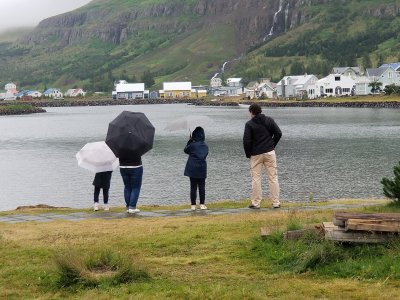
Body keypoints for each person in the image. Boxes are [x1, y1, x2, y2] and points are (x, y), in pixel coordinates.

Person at [243, 104, 282, 209]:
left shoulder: (249, 124)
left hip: (256, 154)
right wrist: (272, 145)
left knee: (256, 179)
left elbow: (246, 141)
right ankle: (276, 202)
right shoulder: (269, 120)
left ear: (252, 112)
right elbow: (278, 133)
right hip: (270, 152)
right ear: (260, 111)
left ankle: (256, 203)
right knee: (273, 178)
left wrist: (248, 154)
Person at [184, 126, 209, 211]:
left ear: (194, 135)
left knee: (193, 187)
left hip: (192, 168)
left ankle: (193, 205)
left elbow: (185, 150)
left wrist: (190, 141)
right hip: (202, 168)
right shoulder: (205, 146)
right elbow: (205, 155)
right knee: (202, 187)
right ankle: (202, 204)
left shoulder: (192, 145)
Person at [119, 149, 143, 214]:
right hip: (136, 166)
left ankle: (128, 206)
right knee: (135, 187)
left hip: (123, 167)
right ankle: (132, 207)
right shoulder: (137, 143)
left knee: (127, 187)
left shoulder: (119, 144)